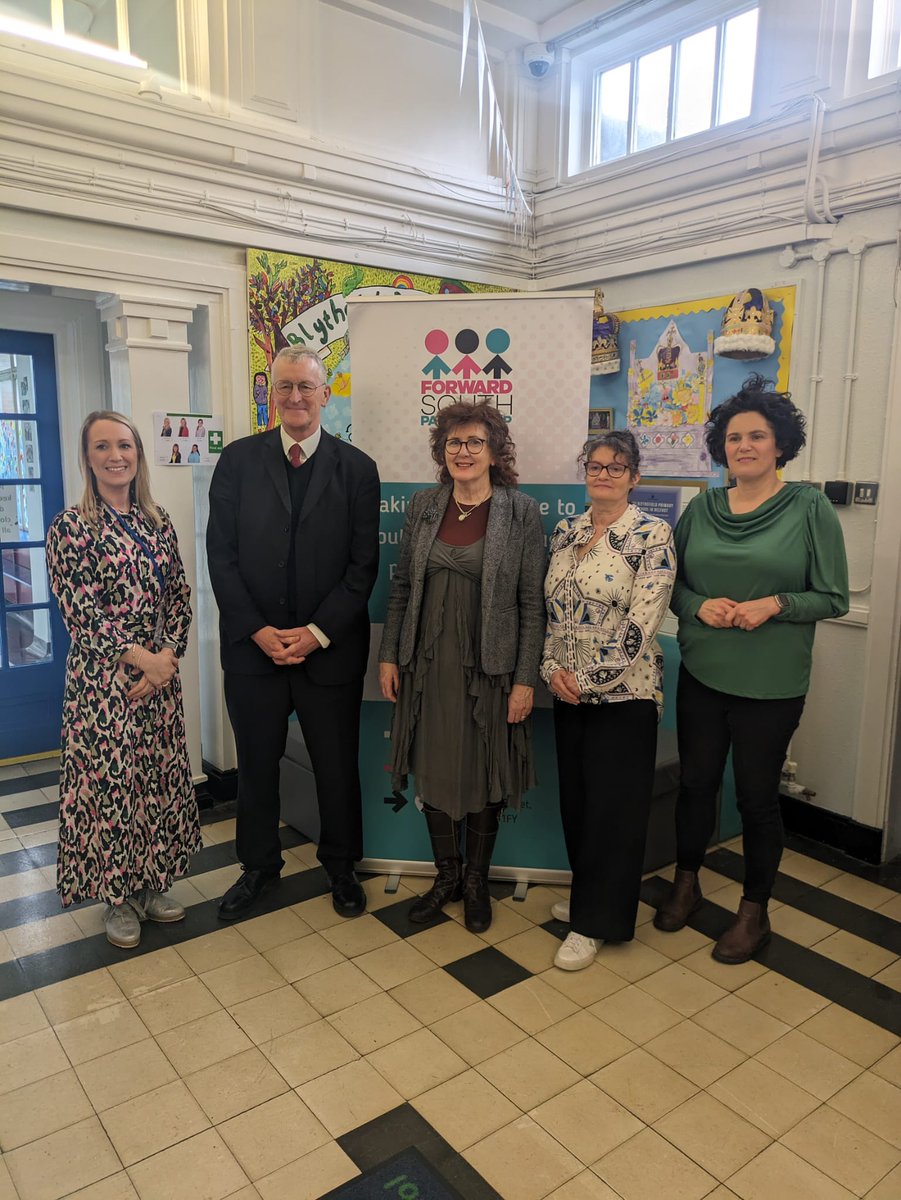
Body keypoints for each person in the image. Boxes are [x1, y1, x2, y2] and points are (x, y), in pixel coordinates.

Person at [656, 375, 849, 963]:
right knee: (695, 785)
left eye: (757, 436)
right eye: (734, 437)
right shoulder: (703, 508)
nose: (744, 446)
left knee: (758, 797)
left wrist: (777, 604)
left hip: (771, 683)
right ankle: (685, 883)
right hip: (704, 672)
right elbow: (674, 585)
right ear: (721, 448)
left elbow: (834, 597)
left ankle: (753, 911)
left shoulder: (809, 507)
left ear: (780, 444)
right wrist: (698, 606)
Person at [207, 346, 380, 920]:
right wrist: (257, 630)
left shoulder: (357, 469)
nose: (296, 398)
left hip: (327, 652)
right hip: (254, 652)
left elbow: (362, 570)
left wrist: (315, 632)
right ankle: (259, 867)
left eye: (307, 387)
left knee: (336, 766)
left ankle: (341, 866)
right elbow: (220, 557)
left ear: (326, 395)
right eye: (285, 387)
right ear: (271, 394)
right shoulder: (235, 462)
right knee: (256, 766)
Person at [378, 401, 545, 933]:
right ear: (441, 451)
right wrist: (389, 655)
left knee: (483, 774)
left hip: (489, 673)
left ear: (495, 451)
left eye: (475, 442)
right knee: (433, 767)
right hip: (426, 667)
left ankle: (476, 881)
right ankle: (444, 877)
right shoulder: (425, 506)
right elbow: (403, 585)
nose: (464, 452)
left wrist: (524, 680)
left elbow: (531, 604)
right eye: (454, 443)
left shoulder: (520, 512)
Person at [45, 411, 199, 949]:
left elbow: (179, 596)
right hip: (103, 683)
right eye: (103, 446)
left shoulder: (157, 520)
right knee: (111, 787)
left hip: (158, 677)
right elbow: (82, 615)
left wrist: (166, 658)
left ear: (137, 454)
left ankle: (154, 884)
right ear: (87, 457)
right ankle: (115, 897)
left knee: (155, 782)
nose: (117, 455)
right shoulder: (71, 527)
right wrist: (142, 659)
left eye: (125, 445)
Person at [541, 430, 676, 970]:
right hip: (567, 694)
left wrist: (590, 681)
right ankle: (587, 900)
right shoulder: (566, 530)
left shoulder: (651, 534)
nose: (603, 475)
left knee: (613, 814)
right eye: (595, 466)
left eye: (615, 468)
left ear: (634, 477)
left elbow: (644, 622)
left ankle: (597, 922)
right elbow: (549, 612)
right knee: (577, 804)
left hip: (626, 697)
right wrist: (552, 670)